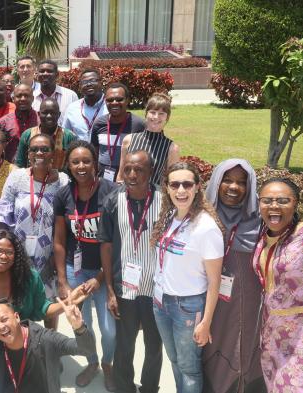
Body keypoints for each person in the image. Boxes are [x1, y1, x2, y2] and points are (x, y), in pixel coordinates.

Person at [150, 161, 224, 393]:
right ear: (168, 188)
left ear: (197, 187)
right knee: (174, 360)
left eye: (187, 184)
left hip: (188, 306)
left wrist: (206, 322)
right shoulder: (171, 216)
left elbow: (215, 282)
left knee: (189, 369)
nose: (181, 190)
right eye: (175, 184)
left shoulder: (206, 227)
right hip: (161, 301)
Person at [0, 133, 70, 328]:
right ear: (28, 153)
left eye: (45, 149)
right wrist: (4, 253)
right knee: (18, 304)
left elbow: (66, 220)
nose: (39, 153)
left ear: (53, 153)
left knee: (50, 305)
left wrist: (56, 261)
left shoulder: (63, 181)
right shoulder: (17, 178)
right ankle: (20, 349)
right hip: (18, 254)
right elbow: (1, 214)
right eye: (34, 149)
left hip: (49, 256)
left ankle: (49, 347)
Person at [53, 139, 118, 388]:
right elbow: (59, 240)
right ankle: (92, 362)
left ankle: (108, 364)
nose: (81, 166)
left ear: (95, 163)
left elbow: (117, 241)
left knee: (109, 328)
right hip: (75, 268)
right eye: (75, 162)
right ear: (68, 166)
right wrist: (63, 281)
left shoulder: (111, 191)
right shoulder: (63, 195)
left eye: (86, 161)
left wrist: (101, 277)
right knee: (83, 325)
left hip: (105, 270)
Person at [99, 150, 164, 393]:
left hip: (155, 288)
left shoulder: (164, 200)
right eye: (128, 169)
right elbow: (106, 246)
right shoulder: (113, 200)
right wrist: (109, 290)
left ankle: (149, 388)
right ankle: (124, 387)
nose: (132, 174)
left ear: (151, 172)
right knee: (124, 344)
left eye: (139, 170)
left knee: (154, 345)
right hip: (124, 287)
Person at [202, 159, 265, 393]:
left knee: (243, 343)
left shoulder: (262, 219)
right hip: (209, 300)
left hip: (248, 301)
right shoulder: (200, 216)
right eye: (227, 180)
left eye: (241, 182)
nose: (233, 187)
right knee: (212, 343)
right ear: (216, 182)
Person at [0, 230, 67, 354]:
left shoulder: (30, 279)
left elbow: (42, 308)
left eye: (9, 252)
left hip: (23, 344)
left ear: (16, 256)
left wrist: (67, 304)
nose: (3, 256)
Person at [0, 297, 96, 393]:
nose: (1, 326)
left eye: (4, 319)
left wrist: (79, 328)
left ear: (17, 317)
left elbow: (87, 350)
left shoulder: (46, 339)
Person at [252, 177, 303, 391]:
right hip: (271, 332)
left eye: (283, 200)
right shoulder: (264, 237)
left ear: (296, 203)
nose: (274, 206)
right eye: (267, 200)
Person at [119, 93, 180, 186]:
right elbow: (121, 173)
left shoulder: (172, 148)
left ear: (167, 118)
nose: (156, 117)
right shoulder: (129, 140)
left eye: (161, 114)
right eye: (152, 112)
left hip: (153, 198)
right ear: (146, 114)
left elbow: (171, 180)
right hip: (127, 195)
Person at [90, 83, 146, 182]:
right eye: (110, 100)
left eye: (119, 99)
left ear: (127, 100)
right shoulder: (99, 124)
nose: (114, 103)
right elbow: (94, 154)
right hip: (103, 181)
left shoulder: (139, 125)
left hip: (129, 181)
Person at [14, 97, 76, 170]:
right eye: (45, 113)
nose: (49, 116)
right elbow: (20, 164)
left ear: (59, 114)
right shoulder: (27, 134)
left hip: (60, 180)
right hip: (31, 179)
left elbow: (72, 164)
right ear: (39, 114)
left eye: (53, 113)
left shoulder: (68, 136)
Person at [62, 68, 107, 141]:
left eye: (92, 80)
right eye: (84, 82)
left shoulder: (110, 106)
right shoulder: (72, 108)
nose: (89, 84)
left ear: (101, 82)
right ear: (80, 86)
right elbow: (65, 134)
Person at [0, 83, 39, 162]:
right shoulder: (4, 122)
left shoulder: (40, 120)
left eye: (26, 96)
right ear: (13, 98)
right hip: (10, 168)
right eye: (19, 96)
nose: (23, 99)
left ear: (33, 98)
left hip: (36, 168)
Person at [32, 59, 78, 125]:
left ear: (57, 75)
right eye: (42, 71)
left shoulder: (71, 96)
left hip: (64, 134)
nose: (45, 74)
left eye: (49, 71)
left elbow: (76, 121)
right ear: (37, 75)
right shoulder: (31, 97)